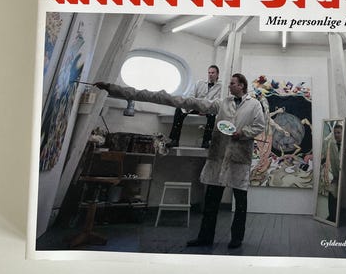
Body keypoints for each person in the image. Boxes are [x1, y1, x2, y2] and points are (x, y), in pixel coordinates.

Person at [94, 73, 265, 249]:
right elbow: (184, 101)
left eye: (233, 83)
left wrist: (242, 133)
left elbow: (260, 125)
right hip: (218, 158)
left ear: (242, 86)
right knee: (211, 203)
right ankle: (205, 237)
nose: (229, 86)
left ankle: (237, 239)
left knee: (240, 203)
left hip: (239, 158)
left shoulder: (254, 105)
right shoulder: (222, 103)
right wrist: (113, 89)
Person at [168, 65, 222, 148]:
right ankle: (174, 140)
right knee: (179, 109)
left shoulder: (220, 87)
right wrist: (195, 106)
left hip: (208, 109)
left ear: (217, 74)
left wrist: (204, 110)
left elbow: (216, 102)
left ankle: (206, 141)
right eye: (209, 73)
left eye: (213, 73)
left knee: (212, 115)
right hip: (196, 106)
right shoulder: (199, 83)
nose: (210, 74)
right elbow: (191, 95)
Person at [321, 124, 343, 222]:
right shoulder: (332, 145)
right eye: (335, 133)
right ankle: (332, 217)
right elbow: (326, 140)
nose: (336, 135)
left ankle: (339, 217)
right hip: (336, 176)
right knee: (331, 192)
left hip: (345, 177)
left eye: (339, 133)